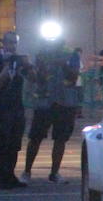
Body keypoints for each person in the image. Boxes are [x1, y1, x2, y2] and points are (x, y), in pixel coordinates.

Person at [22, 37, 81, 184]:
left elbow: (74, 76)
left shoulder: (72, 54)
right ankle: (27, 171)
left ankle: (54, 173)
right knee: (35, 137)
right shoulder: (42, 54)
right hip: (45, 101)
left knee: (60, 139)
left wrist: (63, 64)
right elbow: (37, 78)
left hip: (65, 101)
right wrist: (36, 68)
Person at [0, 31, 31, 189]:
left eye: (15, 43)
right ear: (4, 43)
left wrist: (27, 65)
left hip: (16, 106)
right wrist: (6, 68)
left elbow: (33, 78)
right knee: (2, 142)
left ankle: (10, 174)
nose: (13, 46)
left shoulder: (18, 61)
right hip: (2, 107)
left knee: (15, 143)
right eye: (10, 42)